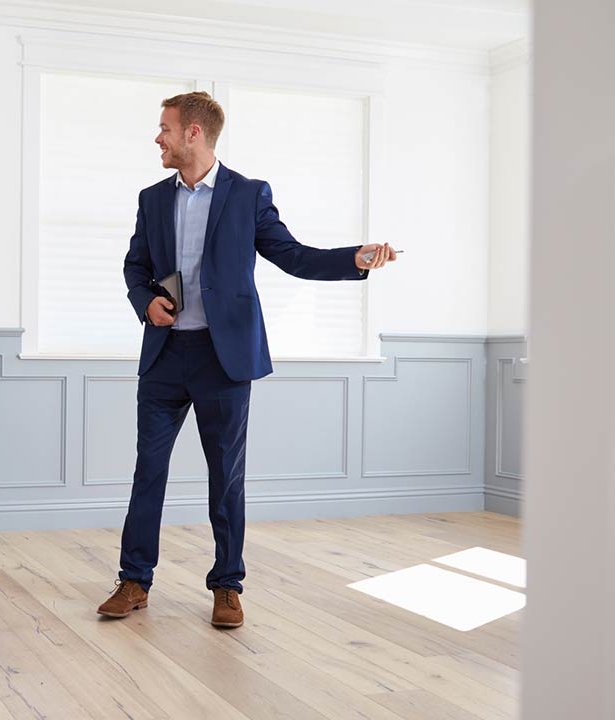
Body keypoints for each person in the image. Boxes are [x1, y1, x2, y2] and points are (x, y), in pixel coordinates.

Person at [97, 92, 397, 628]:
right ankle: (135, 580)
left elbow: (294, 256)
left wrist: (354, 259)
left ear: (194, 133)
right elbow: (135, 267)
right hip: (165, 358)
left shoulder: (247, 195)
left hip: (224, 360)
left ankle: (227, 586)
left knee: (226, 478)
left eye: (164, 128)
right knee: (149, 472)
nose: (157, 138)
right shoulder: (151, 199)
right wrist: (146, 303)